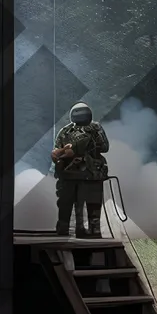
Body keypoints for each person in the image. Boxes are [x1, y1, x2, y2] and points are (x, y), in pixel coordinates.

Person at [51, 102, 110, 238]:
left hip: (86, 173)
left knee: (82, 203)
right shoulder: (95, 128)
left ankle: (76, 229)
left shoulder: (69, 130)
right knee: (82, 203)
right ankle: (82, 229)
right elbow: (104, 147)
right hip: (84, 174)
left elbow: (104, 147)